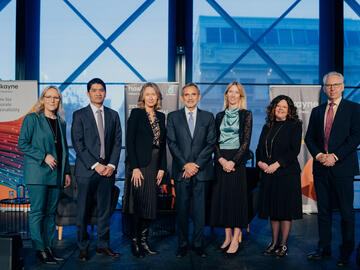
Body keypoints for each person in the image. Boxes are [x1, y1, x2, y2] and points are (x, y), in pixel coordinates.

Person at [305, 72, 360, 267]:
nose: (332, 88)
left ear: (343, 86)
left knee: (346, 212)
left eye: (336, 85)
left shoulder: (354, 109)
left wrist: (335, 157)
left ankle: (346, 252)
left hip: (342, 168)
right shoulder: (317, 111)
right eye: (328, 85)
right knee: (324, 212)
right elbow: (310, 138)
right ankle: (324, 248)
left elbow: (355, 137)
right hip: (321, 169)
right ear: (323, 88)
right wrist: (320, 156)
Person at [18, 86, 71, 264]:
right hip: (38, 174)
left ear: (59, 101)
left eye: (56, 98)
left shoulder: (61, 122)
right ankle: (40, 249)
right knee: (38, 212)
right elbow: (22, 144)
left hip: (56, 175)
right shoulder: (32, 119)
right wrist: (43, 156)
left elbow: (63, 150)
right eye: (49, 97)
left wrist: (67, 172)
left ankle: (48, 247)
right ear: (43, 99)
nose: (52, 100)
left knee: (50, 213)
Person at [71, 78, 122, 261]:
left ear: (105, 93)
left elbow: (117, 142)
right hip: (87, 171)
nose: (98, 93)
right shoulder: (79, 115)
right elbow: (78, 144)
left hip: (107, 172)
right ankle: (83, 247)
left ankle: (103, 245)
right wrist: (95, 165)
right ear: (88, 93)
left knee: (104, 211)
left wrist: (111, 165)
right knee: (83, 211)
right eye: (94, 90)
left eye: (101, 90)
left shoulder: (113, 115)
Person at [167, 83, 216, 258]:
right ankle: (182, 244)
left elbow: (211, 143)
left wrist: (195, 165)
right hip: (182, 172)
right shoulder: (173, 117)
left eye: (193, 94)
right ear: (181, 97)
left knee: (199, 212)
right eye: (186, 94)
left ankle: (198, 245)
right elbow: (172, 143)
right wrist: (185, 165)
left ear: (199, 96)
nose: (190, 97)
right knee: (182, 211)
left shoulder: (208, 117)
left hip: (201, 173)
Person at [123, 82, 166, 258]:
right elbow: (130, 142)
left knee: (151, 205)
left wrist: (162, 168)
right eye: (147, 94)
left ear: (157, 97)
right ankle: (135, 242)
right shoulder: (136, 114)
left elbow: (163, 145)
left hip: (155, 165)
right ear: (142, 97)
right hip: (140, 166)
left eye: (153, 94)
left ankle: (144, 241)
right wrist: (134, 168)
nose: (150, 97)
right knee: (139, 205)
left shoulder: (162, 117)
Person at [256, 95, 302, 258]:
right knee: (273, 210)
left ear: (289, 110)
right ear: (273, 108)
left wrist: (276, 164)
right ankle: (274, 243)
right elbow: (259, 149)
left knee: (284, 211)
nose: (281, 109)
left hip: (286, 174)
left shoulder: (295, 125)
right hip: (268, 174)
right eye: (278, 106)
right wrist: (261, 163)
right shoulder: (267, 126)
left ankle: (283, 245)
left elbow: (294, 150)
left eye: (284, 106)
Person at [210, 82, 252, 255]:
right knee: (224, 199)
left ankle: (236, 237)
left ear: (240, 96)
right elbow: (214, 141)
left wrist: (233, 161)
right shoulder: (219, 116)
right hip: (221, 161)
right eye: (230, 92)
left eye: (236, 92)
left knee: (236, 200)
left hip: (237, 160)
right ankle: (227, 236)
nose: (233, 95)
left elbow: (246, 141)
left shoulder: (246, 114)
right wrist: (220, 159)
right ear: (226, 95)